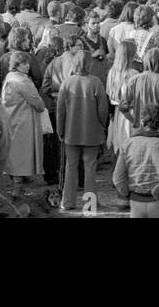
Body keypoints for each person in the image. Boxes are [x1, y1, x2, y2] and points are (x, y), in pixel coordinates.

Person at [56, 49, 108, 211]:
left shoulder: (67, 83)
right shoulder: (96, 82)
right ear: (89, 64)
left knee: (70, 167)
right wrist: (102, 126)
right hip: (92, 132)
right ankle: (89, 205)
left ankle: (68, 202)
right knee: (90, 168)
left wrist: (60, 130)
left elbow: (60, 111)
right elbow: (103, 110)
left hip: (71, 132)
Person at [113, 105, 159, 218]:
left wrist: (128, 193)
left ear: (142, 120)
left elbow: (118, 178)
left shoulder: (128, 144)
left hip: (136, 201)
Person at [2, 50, 45, 196]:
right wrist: (41, 104)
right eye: (23, 63)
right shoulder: (23, 81)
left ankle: (16, 186)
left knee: (15, 154)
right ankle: (17, 189)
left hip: (11, 118)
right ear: (16, 64)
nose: (27, 66)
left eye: (27, 63)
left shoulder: (9, 77)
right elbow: (37, 102)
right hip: (24, 121)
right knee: (22, 155)